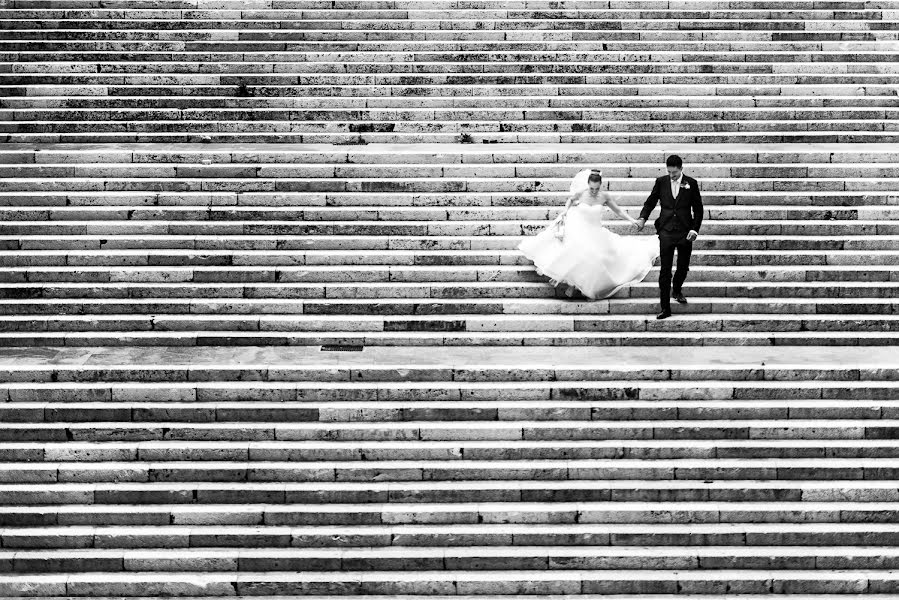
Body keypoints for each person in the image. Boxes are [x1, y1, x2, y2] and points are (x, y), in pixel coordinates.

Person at [519, 168, 659, 300]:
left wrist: (631, 220)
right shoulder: (581, 193)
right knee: (576, 251)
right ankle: (573, 284)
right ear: (588, 184)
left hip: (596, 231)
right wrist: (565, 211)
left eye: (596, 188)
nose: (593, 191)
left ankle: (582, 286)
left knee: (597, 257)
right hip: (580, 227)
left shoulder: (604, 197)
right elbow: (570, 200)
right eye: (591, 188)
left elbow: (618, 211)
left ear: (600, 186)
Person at [635, 155, 704, 320]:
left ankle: (677, 289)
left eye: (674, 172)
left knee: (682, 267)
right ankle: (665, 307)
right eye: (669, 172)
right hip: (666, 231)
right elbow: (650, 202)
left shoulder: (691, 183)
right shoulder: (661, 182)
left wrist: (695, 230)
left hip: (685, 232)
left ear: (681, 169)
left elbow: (698, 209)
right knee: (665, 271)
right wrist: (643, 217)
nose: (671, 175)